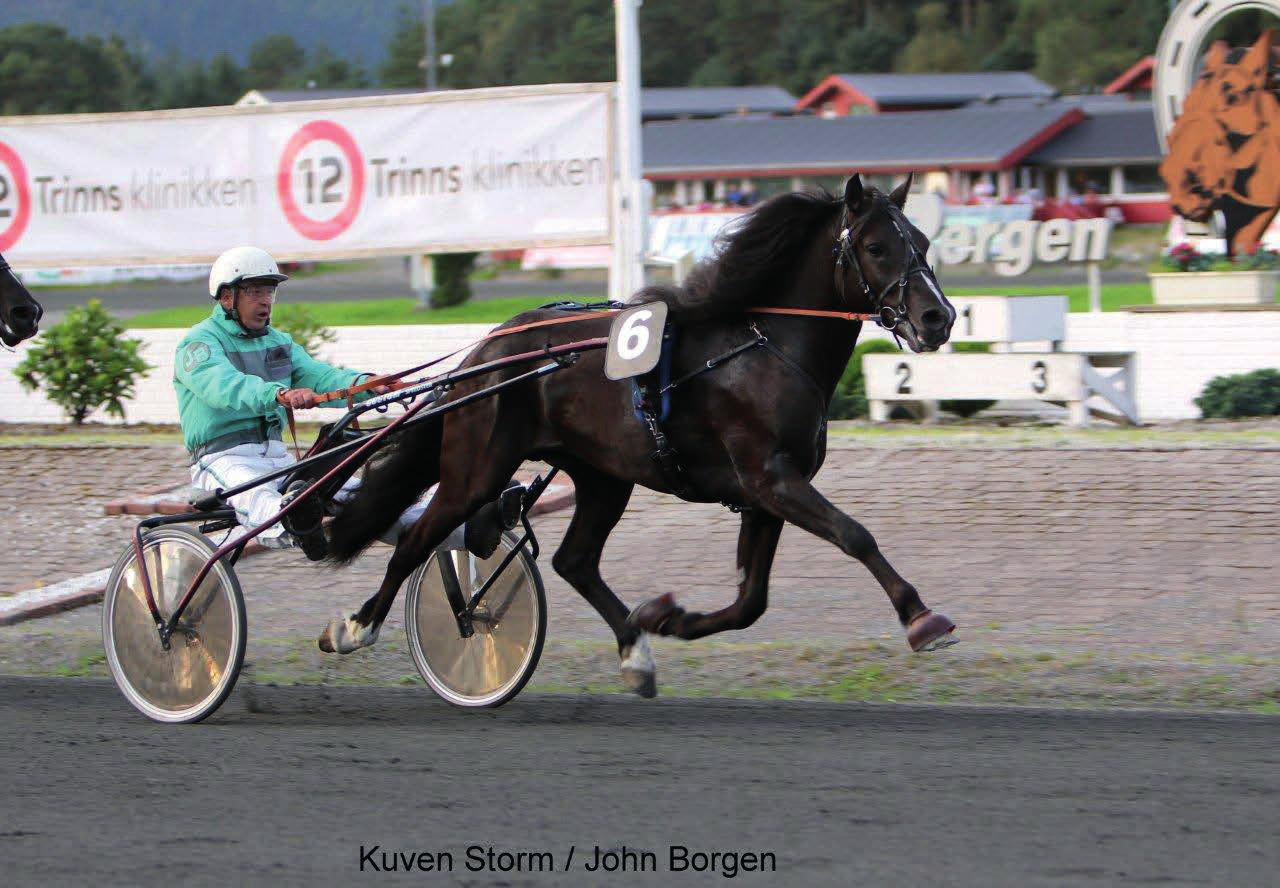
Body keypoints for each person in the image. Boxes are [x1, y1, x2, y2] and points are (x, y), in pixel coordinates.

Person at [174, 246, 520, 561]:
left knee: (366, 497)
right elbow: (223, 386)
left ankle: (468, 529)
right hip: (220, 459)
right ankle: (298, 524)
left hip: (278, 459)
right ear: (226, 297)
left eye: (269, 291)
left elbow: (323, 377)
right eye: (254, 291)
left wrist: (376, 386)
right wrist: (277, 395)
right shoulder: (198, 345)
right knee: (261, 500)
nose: (265, 300)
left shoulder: (279, 343)